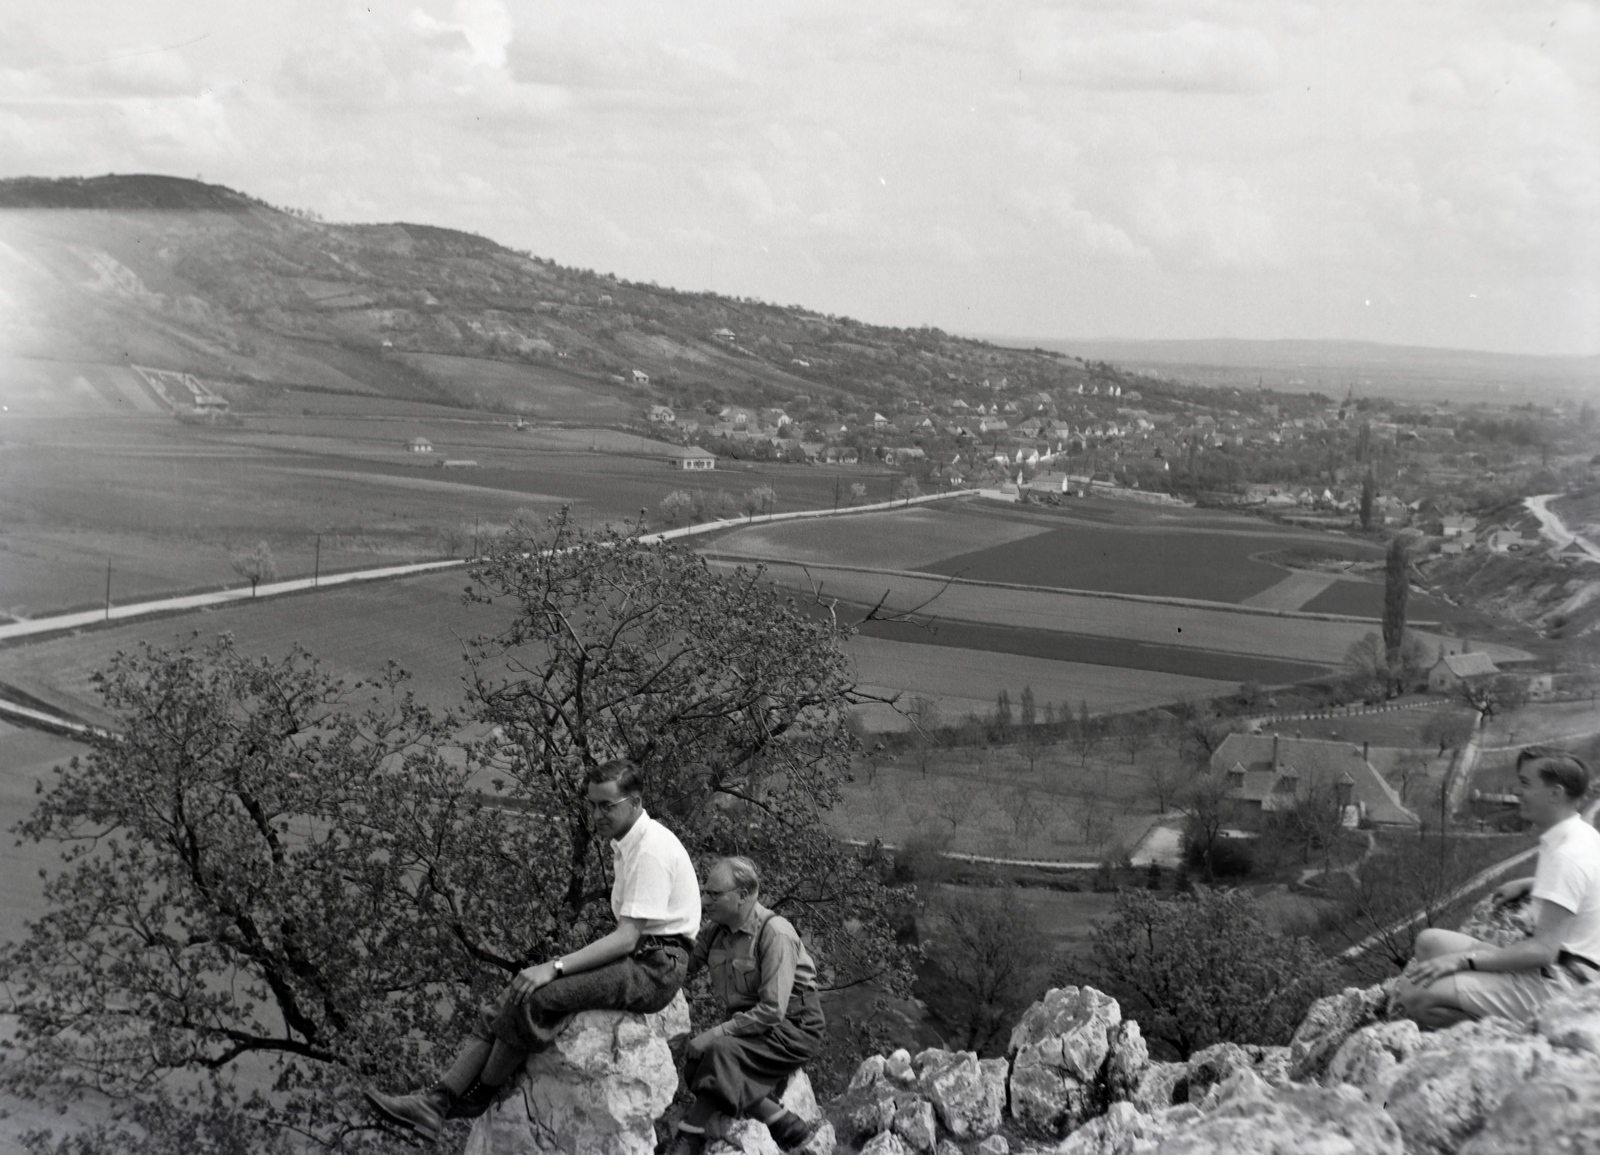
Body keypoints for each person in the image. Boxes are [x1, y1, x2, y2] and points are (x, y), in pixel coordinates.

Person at [364, 758, 700, 1140]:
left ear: (635, 802)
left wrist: (553, 967)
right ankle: (437, 1101)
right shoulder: (627, 843)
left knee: (535, 996)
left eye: (607, 805)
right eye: (591, 805)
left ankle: (475, 1096)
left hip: (655, 968)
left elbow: (626, 937)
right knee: (516, 991)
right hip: (641, 957)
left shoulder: (650, 849)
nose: (596, 814)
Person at [1399, 746, 1599, 1029]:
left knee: (1415, 996)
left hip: (1560, 986)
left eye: (1527, 784)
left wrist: (1464, 961)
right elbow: (1583, 887)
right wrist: (1531, 883)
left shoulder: (1567, 856)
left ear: (1555, 793)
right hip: (1554, 970)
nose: (1518, 792)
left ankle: (1508, 1033)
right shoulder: (1581, 835)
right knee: (1429, 942)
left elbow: (1543, 952)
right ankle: (1486, 1000)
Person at [665, 856, 826, 1155]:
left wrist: (714, 1034)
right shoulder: (716, 931)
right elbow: (683, 968)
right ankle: (781, 1121)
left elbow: (773, 1010)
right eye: (705, 891)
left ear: (743, 896)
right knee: (694, 1066)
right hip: (753, 1027)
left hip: (792, 1027)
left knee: (719, 1052)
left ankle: (690, 1136)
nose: (705, 899)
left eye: (714, 894)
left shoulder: (775, 934)